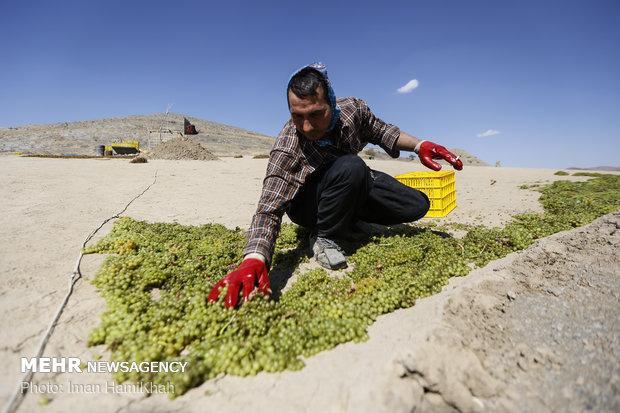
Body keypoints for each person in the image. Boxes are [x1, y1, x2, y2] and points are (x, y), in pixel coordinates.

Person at [208, 62, 463, 308]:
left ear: (331, 101)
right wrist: (254, 260)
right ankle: (324, 236)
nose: (307, 126)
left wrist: (421, 145)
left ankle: (349, 217)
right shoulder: (288, 146)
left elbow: (384, 132)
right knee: (352, 165)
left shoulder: (354, 111)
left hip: (349, 181)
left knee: (416, 204)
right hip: (308, 205)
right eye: (298, 116)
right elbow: (268, 209)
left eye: (316, 114)